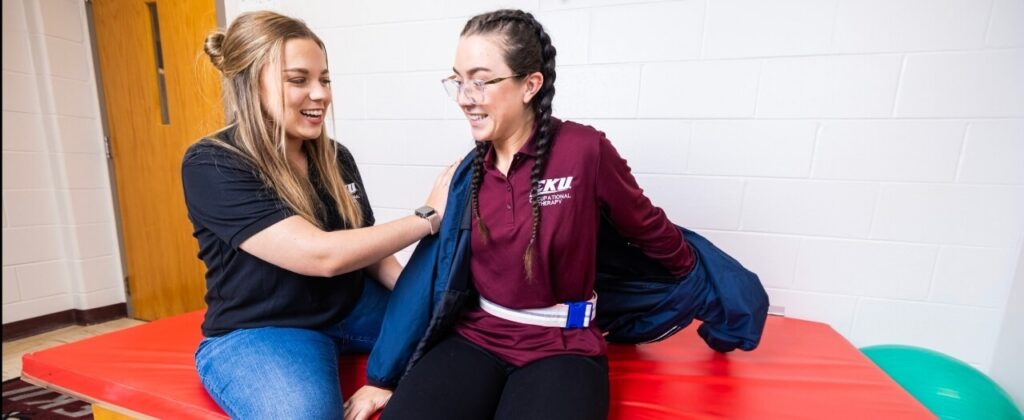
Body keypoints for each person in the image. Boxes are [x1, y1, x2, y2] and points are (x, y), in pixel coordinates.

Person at [346, 9, 700, 420]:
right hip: (477, 335)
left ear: (530, 84)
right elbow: (431, 276)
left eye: (480, 80)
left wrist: (699, 277)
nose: (464, 96)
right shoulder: (465, 174)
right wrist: (384, 375)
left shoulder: (584, 151)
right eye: (458, 81)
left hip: (563, 345)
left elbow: (647, 226)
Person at [181, 11, 457, 418]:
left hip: (353, 305)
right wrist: (428, 216)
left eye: (324, 79)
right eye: (298, 80)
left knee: (471, 337)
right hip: (265, 330)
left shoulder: (334, 156)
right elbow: (321, 256)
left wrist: (418, 299)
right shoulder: (213, 163)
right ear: (249, 82)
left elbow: (365, 245)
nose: (320, 94)